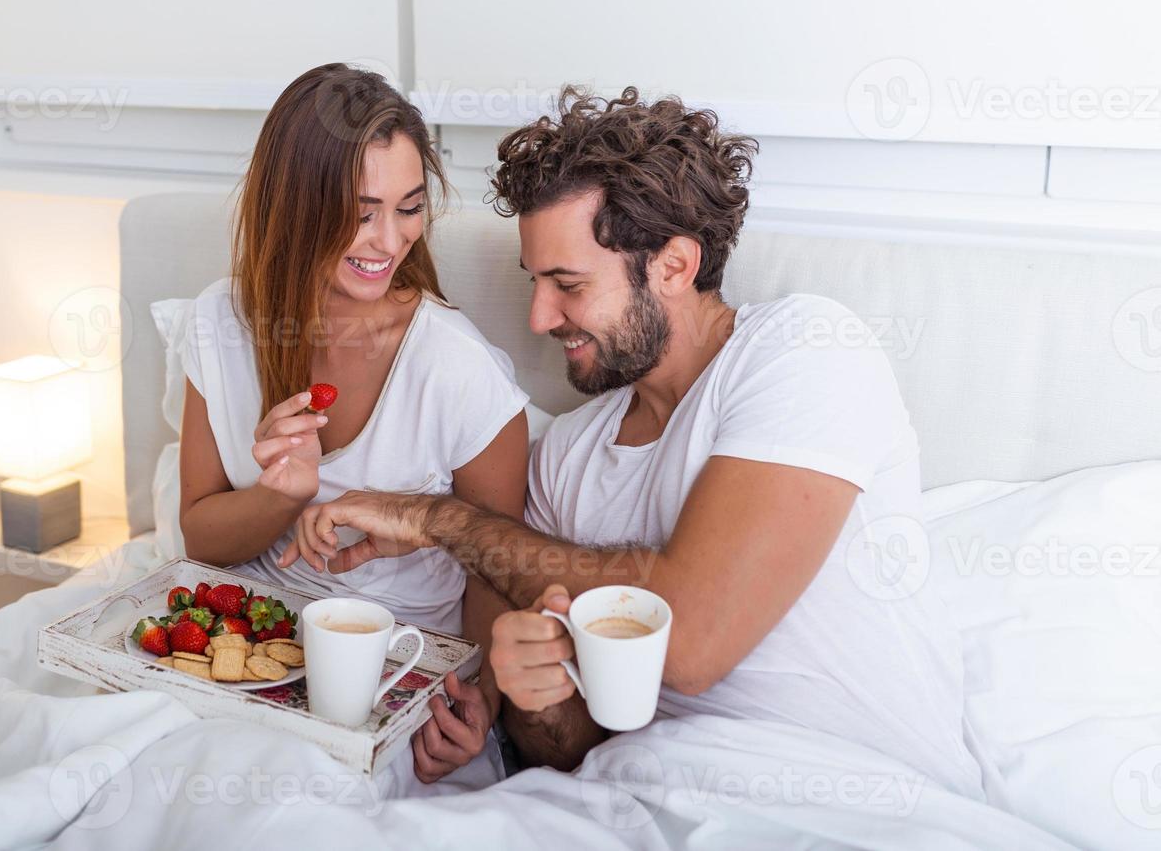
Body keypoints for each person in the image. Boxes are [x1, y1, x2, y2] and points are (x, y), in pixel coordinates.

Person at [280, 86, 985, 798]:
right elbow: (571, 749)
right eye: (535, 282)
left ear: (674, 267)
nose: (537, 316)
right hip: (639, 800)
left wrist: (439, 519)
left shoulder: (802, 350)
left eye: (568, 284)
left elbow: (691, 643)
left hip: (853, 796)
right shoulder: (566, 459)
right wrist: (536, 698)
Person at [176, 62, 529, 788]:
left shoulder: (458, 371)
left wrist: (482, 703)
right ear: (295, 204)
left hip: (386, 678)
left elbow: (501, 567)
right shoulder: (221, 323)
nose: (387, 239)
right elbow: (201, 536)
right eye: (361, 209)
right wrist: (281, 493)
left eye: (407, 206)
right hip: (240, 647)